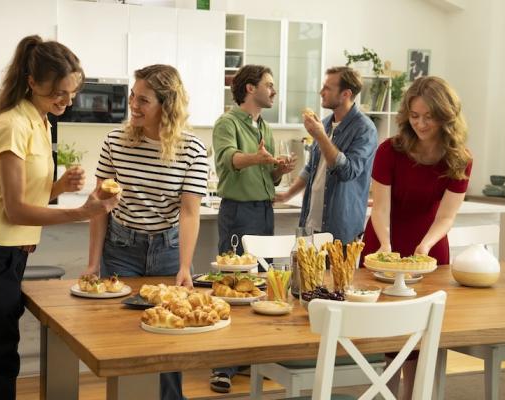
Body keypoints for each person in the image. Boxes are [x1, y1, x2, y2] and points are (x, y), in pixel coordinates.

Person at [0, 35, 118, 400]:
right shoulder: (12, 124)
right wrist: (82, 211)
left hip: (10, 256)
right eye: (58, 92)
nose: (66, 100)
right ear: (31, 82)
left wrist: (58, 187)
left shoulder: (40, 122)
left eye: (72, 93)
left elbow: (26, 196)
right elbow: (14, 211)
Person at [84, 64, 208, 400]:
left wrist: (185, 267)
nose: (133, 105)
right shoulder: (115, 142)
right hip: (121, 247)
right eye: (132, 97)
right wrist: (93, 264)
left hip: (168, 250)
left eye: (143, 100)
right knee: (124, 341)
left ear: (166, 106)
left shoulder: (193, 150)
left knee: (170, 340)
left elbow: (189, 212)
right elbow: (100, 208)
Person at [362, 76, 473, 399]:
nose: (421, 123)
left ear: (446, 115)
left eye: (429, 116)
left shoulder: (460, 158)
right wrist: (385, 247)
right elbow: (380, 208)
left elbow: (447, 215)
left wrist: (424, 247)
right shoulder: (390, 150)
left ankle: (412, 395)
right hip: (384, 239)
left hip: (429, 244)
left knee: (424, 328)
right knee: (388, 329)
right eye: (414, 116)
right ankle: (387, 391)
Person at [210, 64, 295, 393]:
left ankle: (253, 356)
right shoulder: (226, 123)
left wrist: (279, 168)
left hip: (264, 211)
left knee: (262, 286)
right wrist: (259, 159)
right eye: (269, 85)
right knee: (232, 286)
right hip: (238, 213)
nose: (273, 91)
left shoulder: (265, 127)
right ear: (249, 88)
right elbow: (229, 159)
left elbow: (269, 176)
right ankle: (222, 367)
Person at [275, 66, 377, 243]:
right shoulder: (325, 123)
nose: (321, 92)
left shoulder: (364, 129)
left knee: (336, 272)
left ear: (346, 94)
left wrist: (320, 136)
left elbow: (347, 172)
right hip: (309, 225)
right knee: (303, 272)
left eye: (327, 88)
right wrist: (287, 195)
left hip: (339, 229)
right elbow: (312, 168)